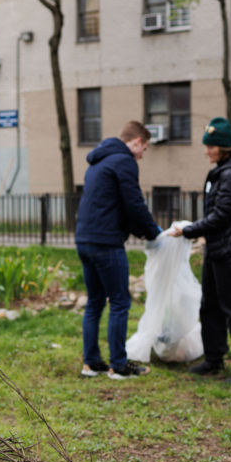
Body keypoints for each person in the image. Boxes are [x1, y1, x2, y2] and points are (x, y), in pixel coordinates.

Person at [168, 117, 231, 385]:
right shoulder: (222, 170)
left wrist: (186, 231)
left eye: (211, 146)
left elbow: (221, 216)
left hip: (229, 252)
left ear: (223, 147)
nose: (206, 151)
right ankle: (214, 358)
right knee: (209, 306)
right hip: (216, 249)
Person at [75, 121, 161, 380]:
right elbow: (133, 204)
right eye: (144, 147)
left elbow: (115, 207)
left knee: (94, 302)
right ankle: (118, 366)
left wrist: (141, 231)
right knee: (120, 301)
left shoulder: (98, 161)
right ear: (136, 141)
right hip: (106, 243)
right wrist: (155, 233)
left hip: (84, 240)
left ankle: (91, 363)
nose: (143, 154)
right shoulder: (124, 162)